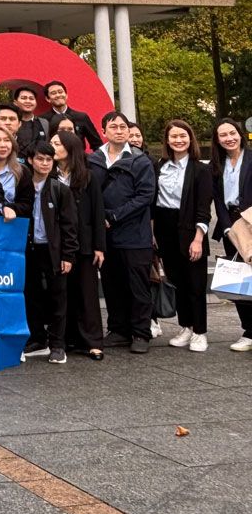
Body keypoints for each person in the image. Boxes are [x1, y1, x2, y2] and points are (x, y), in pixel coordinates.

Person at [88, 111, 157, 354]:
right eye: (113, 126)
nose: (119, 130)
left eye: (123, 126)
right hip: (105, 235)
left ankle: (140, 332)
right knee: (112, 283)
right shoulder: (93, 160)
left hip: (134, 234)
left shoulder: (141, 161)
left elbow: (145, 196)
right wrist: (99, 218)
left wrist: (114, 216)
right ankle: (118, 329)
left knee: (138, 286)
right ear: (103, 130)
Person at [153, 119, 212, 352]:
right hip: (165, 230)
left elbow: (203, 208)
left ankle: (200, 332)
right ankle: (186, 326)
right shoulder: (160, 166)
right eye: (174, 136)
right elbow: (154, 202)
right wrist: (153, 233)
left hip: (190, 229)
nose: (178, 140)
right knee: (177, 282)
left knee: (195, 284)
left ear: (190, 139)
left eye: (183, 136)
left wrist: (198, 238)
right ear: (167, 140)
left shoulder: (201, 169)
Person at [16, 142, 77, 364]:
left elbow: (70, 225)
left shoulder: (59, 189)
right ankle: (38, 339)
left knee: (58, 297)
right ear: (31, 161)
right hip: (30, 249)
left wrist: (68, 255)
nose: (44, 163)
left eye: (48, 160)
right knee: (31, 296)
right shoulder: (22, 187)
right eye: (40, 159)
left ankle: (58, 345)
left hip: (54, 251)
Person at [53, 130, 106, 361]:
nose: (52, 147)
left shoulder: (88, 176)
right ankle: (68, 338)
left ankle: (93, 341)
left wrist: (99, 246)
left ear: (70, 147)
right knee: (64, 293)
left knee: (87, 293)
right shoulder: (49, 175)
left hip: (84, 244)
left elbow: (97, 212)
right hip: (58, 243)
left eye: (57, 143)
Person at [210, 118, 252, 351]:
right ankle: (248, 331)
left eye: (232, 133)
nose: (229, 138)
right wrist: (226, 227)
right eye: (223, 135)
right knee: (239, 279)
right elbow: (217, 199)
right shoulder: (217, 165)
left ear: (240, 134)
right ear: (217, 140)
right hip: (230, 225)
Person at [43, 80, 102, 151]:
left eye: (60, 92)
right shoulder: (43, 120)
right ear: (47, 99)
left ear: (66, 95)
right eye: (53, 93)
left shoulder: (82, 117)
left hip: (79, 160)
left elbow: (97, 144)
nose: (58, 95)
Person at [12, 86, 49, 153]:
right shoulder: (10, 123)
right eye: (23, 98)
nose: (28, 101)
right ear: (15, 103)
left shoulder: (44, 123)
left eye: (31, 98)